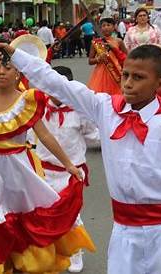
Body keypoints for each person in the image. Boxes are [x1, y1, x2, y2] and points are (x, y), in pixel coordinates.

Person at [0, 41, 161, 274]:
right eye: (126, 75)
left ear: (160, 84)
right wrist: (16, 55)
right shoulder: (105, 108)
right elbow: (56, 83)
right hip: (123, 232)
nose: (128, 84)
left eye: (139, 78)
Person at [0, 53, 91, 273]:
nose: (1, 72)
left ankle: (21, 262)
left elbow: (45, 136)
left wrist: (68, 165)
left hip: (18, 168)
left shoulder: (26, 101)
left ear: (18, 72)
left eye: (7, 67)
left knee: (23, 219)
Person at [37, 66, 100, 273]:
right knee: (44, 213)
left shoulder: (80, 112)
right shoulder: (38, 108)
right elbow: (30, 137)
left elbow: (93, 135)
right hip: (43, 170)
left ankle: (75, 251)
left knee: (72, 214)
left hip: (72, 172)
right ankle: (51, 251)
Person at [87, 17, 127, 96]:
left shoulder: (118, 41)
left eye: (108, 25)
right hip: (101, 72)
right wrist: (98, 59)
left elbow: (126, 56)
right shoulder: (96, 42)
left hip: (116, 71)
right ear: (100, 28)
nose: (106, 27)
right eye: (103, 25)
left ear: (113, 27)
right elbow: (90, 61)